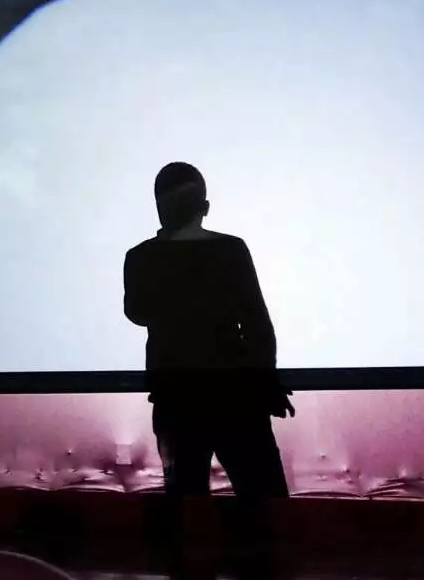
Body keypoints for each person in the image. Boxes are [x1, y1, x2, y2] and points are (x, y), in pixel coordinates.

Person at [124, 162, 294, 576]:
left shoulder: (141, 258)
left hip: (177, 397)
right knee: (266, 511)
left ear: (160, 207)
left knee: (187, 518)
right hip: (237, 396)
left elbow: (137, 312)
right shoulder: (231, 250)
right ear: (205, 206)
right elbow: (257, 323)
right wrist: (267, 380)